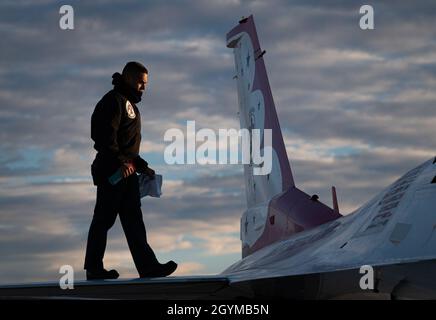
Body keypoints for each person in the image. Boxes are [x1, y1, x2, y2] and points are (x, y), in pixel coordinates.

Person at [84, 61, 177, 280]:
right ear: (128, 78)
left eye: (145, 83)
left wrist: (143, 167)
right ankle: (94, 269)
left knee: (134, 222)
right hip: (112, 173)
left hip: (128, 173)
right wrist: (120, 163)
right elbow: (103, 138)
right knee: (103, 220)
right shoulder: (112, 101)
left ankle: (149, 268)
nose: (143, 87)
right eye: (140, 82)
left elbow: (128, 148)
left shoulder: (131, 105)